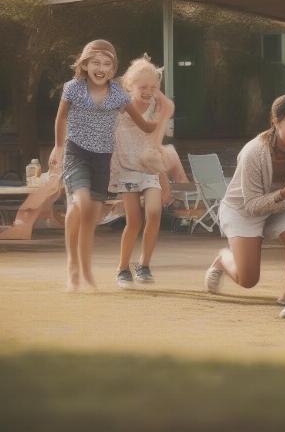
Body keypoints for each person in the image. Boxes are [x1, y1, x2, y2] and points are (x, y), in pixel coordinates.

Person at [49, 40, 173, 291]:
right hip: (98, 159)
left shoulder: (132, 100)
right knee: (105, 212)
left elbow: (149, 131)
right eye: (95, 62)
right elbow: (66, 118)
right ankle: (99, 266)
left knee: (137, 213)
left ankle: (133, 264)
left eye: (107, 64)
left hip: (125, 164)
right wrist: (59, 147)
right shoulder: (88, 93)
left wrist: (157, 122)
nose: (100, 68)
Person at [204, 94, 285, 303]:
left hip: (281, 208)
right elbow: (253, 206)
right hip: (243, 210)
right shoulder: (253, 152)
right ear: (276, 122)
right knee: (248, 280)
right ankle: (223, 260)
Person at [109, 54, 188, 289]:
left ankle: (144, 264)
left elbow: (168, 109)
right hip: (126, 168)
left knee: (154, 213)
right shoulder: (122, 105)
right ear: (129, 86)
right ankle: (123, 267)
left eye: (153, 87)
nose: (148, 91)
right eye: (142, 86)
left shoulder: (155, 104)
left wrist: (154, 85)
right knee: (134, 220)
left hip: (147, 167)